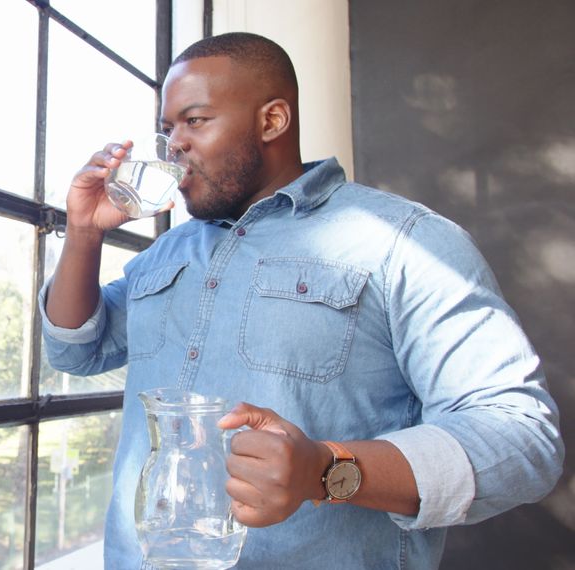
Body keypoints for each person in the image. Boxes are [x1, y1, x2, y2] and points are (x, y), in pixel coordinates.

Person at [40, 32, 563, 569]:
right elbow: (74, 350)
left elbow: (523, 438)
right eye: (168, 128)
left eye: (195, 121)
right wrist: (83, 232)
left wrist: (325, 470)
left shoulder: (407, 242)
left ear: (272, 120)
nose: (174, 145)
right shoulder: (168, 252)